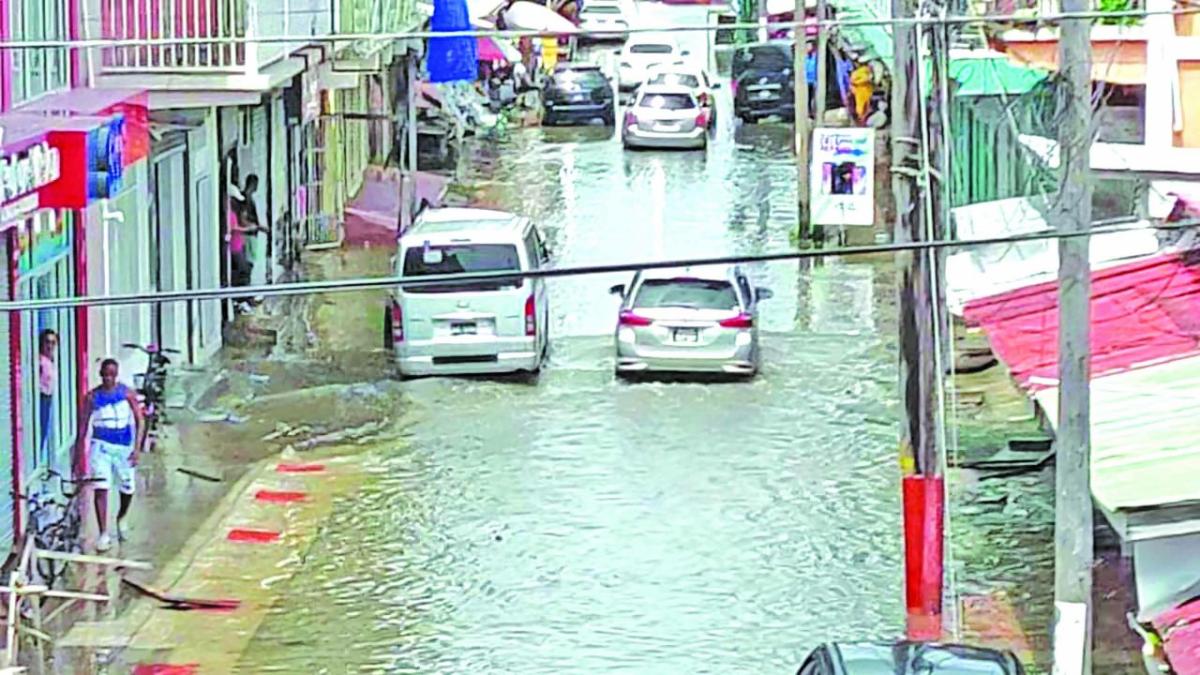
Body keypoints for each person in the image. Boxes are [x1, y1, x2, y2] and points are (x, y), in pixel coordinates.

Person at [74, 359, 145, 552]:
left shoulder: (126, 393)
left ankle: (121, 517)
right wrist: (79, 454)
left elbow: (140, 420)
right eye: (105, 375)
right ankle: (103, 533)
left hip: (124, 447)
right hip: (101, 447)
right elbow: (83, 427)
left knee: (127, 487)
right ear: (101, 375)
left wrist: (137, 448)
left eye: (111, 375)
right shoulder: (92, 397)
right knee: (101, 487)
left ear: (116, 375)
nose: (108, 378)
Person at [228, 174, 264, 313]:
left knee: (245, 268)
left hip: (241, 241)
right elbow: (239, 223)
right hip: (239, 242)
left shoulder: (244, 201)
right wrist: (252, 228)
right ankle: (242, 298)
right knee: (244, 269)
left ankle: (245, 297)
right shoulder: (242, 203)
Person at [38, 329, 58, 466]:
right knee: (40, 430)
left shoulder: (51, 360)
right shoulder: (39, 360)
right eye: (47, 342)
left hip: (48, 397)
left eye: (53, 343)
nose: (50, 346)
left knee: (45, 430)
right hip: (41, 398)